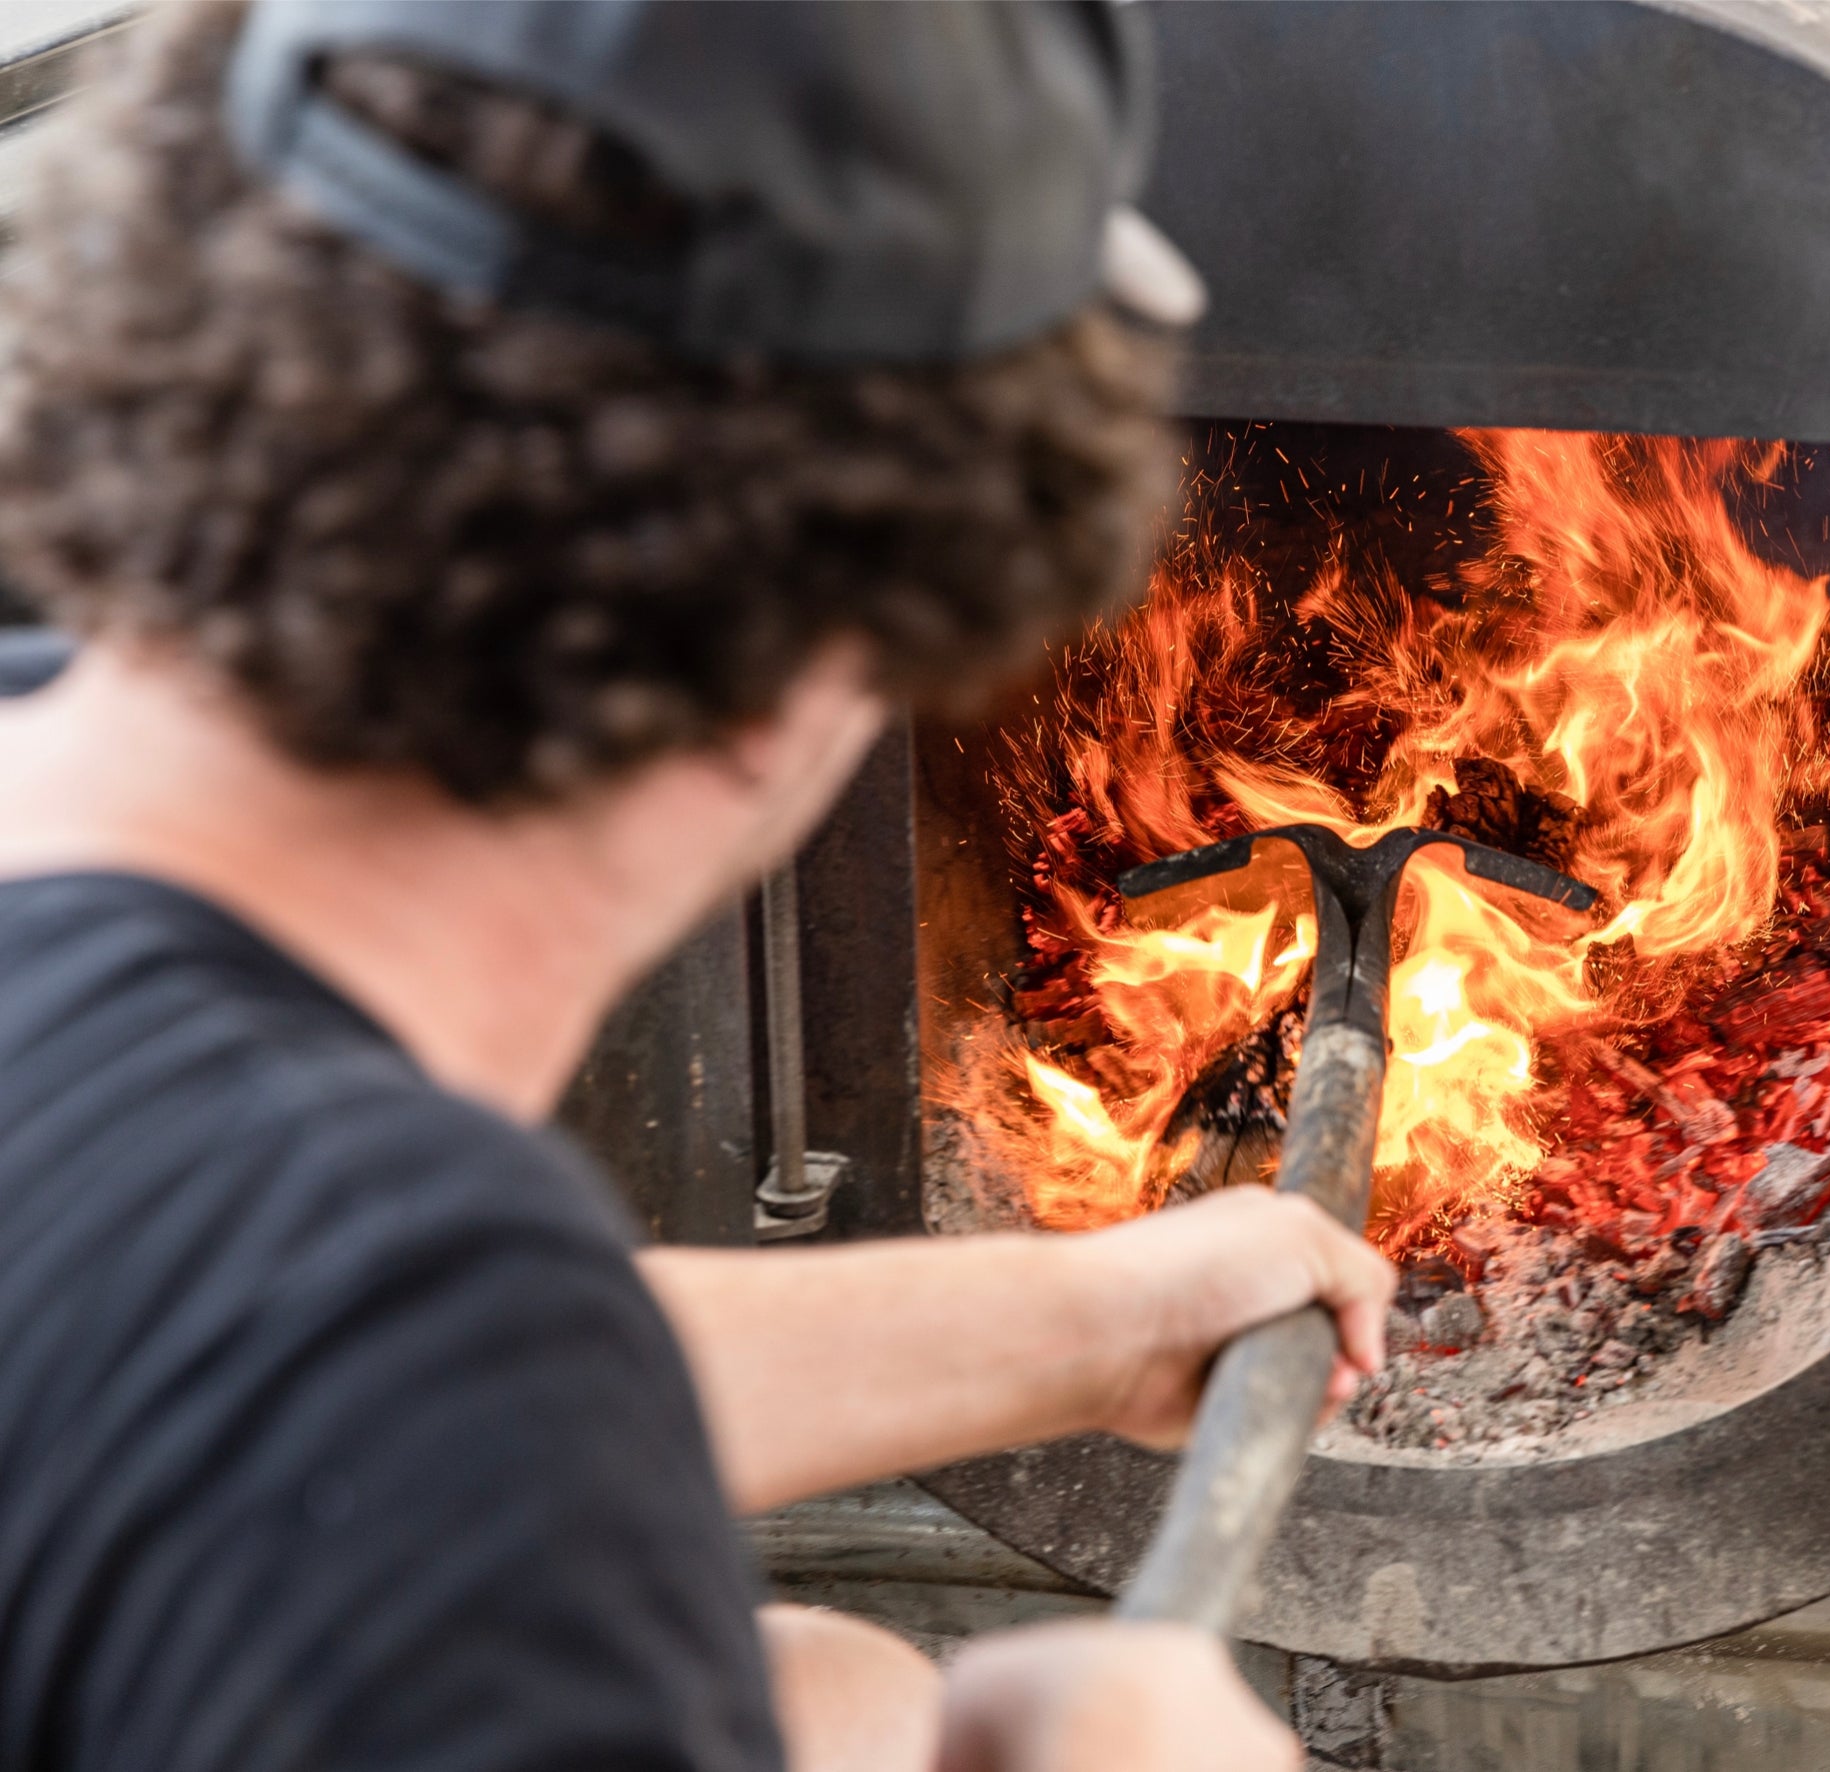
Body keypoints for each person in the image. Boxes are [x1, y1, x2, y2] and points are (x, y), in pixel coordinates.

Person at [0, 5, 1395, 1770]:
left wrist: (1092, 1323)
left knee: (832, 1690)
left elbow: (272, 1356)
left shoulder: (245, 1215)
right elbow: (369, 1371)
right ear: (815, 649)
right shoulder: (365, 1359)